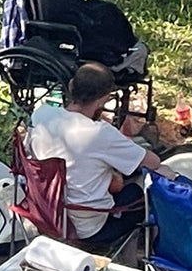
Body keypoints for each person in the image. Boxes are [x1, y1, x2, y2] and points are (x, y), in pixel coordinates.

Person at [26, 62, 163, 246]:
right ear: (103, 100)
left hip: (46, 215)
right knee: (152, 181)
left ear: (71, 85)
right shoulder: (100, 133)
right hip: (90, 229)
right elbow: (153, 162)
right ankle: (156, 261)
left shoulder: (41, 115)